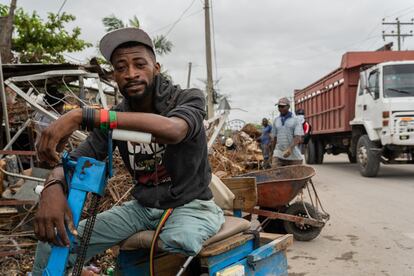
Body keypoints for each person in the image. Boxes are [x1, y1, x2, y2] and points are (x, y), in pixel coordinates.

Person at [32, 27, 225, 275]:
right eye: (121, 67)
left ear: (156, 68)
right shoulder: (114, 118)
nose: (131, 73)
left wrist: (83, 115)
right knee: (52, 245)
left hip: (191, 203)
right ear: (114, 76)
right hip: (142, 209)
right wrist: (52, 188)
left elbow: (173, 130)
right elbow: (77, 159)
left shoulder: (187, 99)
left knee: (181, 241)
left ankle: (212, 216)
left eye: (139, 64)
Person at [271, 97, 304, 167]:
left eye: (283, 106)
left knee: (295, 176)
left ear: (288, 106)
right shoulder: (276, 120)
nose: (280, 108)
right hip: (278, 153)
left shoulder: (296, 120)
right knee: (275, 173)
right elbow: (274, 138)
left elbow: (298, 137)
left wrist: (290, 149)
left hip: (293, 154)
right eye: (279, 106)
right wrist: (272, 153)